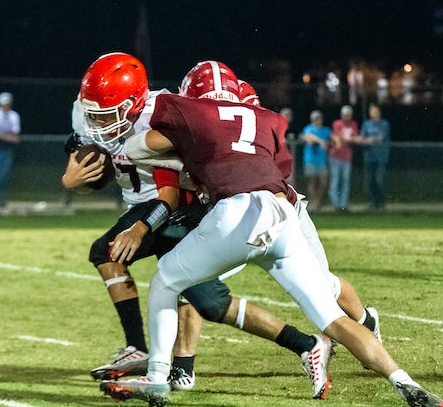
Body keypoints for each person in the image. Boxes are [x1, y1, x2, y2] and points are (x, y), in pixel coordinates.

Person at [102, 61, 443, 406]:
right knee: (331, 317)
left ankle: (158, 376)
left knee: (166, 281)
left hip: (236, 215)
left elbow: (136, 148)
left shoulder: (194, 112)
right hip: (283, 216)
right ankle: (406, 382)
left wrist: (186, 161)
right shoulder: (264, 117)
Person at [62, 54, 359, 399]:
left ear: (132, 102)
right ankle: (303, 344)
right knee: (194, 295)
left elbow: (169, 195)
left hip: (181, 212)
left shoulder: (161, 118)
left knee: (196, 294)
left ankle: (159, 358)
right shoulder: (91, 115)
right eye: (92, 112)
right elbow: (90, 166)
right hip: (159, 210)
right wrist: (73, 183)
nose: (95, 122)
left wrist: (141, 227)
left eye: (103, 113)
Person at [328, 104, 360, 212]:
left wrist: (346, 140)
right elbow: (339, 139)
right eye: (345, 115)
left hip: (347, 157)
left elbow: (354, 138)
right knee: (335, 180)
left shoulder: (354, 124)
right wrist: (348, 139)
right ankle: (335, 204)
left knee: (346, 181)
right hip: (335, 156)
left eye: (348, 115)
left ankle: (343, 205)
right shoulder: (337, 123)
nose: (347, 117)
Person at [360, 103, 391, 211]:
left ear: (378, 111)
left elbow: (380, 138)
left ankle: (381, 203)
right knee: (370, 182)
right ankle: (372, 203)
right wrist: (370, 140)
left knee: (379, 181)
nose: (372, 112)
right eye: (371, 110)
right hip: (369, 157)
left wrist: (369, 140)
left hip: (381, 157)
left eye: (374, 110)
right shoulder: (366, 124)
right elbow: (361, 139)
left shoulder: (384, 124)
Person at [300, 110, 331, 211]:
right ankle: (313, 202)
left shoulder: (325, 130)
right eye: (315, 119)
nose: (317, 121)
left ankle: (317, 200)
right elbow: (308, 137)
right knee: (311, 182)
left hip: (322, 160)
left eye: (318, 118)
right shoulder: (308, 129)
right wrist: (320, 141)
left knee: (323, 182)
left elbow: (332, 137)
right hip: (310, 159)